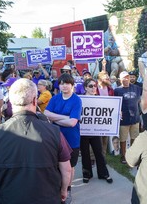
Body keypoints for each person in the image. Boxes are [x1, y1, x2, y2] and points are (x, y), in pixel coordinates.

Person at [0, 79, 72, 204]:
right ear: (35, 100)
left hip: (9, 198)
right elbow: (66, 170)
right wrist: (63, 191)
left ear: (11, 102)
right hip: (48, 198)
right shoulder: (54, 132)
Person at [44, 73, 82, 204]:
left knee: (70, 167)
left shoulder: (76, 100)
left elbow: (72, 123)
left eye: (67, 83)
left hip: (72, 139)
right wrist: (65, 118)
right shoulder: (55, 98)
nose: (64, 86)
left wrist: (55, 118)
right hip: (56, 138)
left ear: (72, 85)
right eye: (61, 83)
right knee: (55, 165)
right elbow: (46, 113)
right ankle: (57, 188)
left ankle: (68, 189)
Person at [80, 78, 113, 184]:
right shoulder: (79, 99)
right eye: (90, 86)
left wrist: (117, 114)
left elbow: (108, 111)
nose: (93, 88)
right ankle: (87, 174)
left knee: (99, 153)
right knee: (85, 154)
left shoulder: (100, 99)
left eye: (95, 86)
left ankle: (104, 174)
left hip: (95, 132)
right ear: (85, 88)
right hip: (83, 132)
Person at [114, 71, 142, 164]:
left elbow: (145, 94)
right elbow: (115, 104)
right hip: (123, 119)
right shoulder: (117, 90)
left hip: (135, 118)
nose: (126, 79)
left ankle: (132, 154)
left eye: (127, 77)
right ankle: (123, 155)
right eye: (124, 77)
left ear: (129, 78)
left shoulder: (137, 88)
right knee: (123, 139)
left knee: (135, 137)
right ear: (120, 79)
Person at [96, 71, 114, 157]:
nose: (108, 79)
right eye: (106, 78)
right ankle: (92, 157)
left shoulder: (110, 89)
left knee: (105, 138)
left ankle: (103, 156)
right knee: (95, 138)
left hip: (107, 117)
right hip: (96, 117)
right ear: (100, 79)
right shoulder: (94, 88)